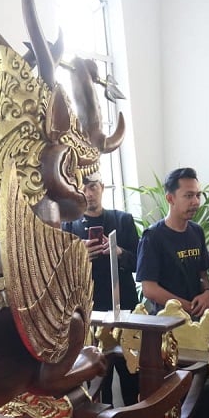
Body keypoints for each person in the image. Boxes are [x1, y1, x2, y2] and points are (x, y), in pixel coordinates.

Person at [61, 172, 140, 406]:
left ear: (102, 188)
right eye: (83, 188)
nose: (89, 192)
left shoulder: (123, 220)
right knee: (96, 380)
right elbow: (60, 275)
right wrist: (78, 256)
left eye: (93, 186)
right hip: (88, 315)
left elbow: (140, 263)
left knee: (132, 374)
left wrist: (119, 253)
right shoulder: (68, 227)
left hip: (124, 311)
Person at [136, 167, 209, 319]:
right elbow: (149, 289)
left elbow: (202, 274)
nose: (196, 201)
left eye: (198, 195)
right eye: (189, 196)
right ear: (170, 198)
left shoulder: (197, 231)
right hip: (168, 322)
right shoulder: (152, 237)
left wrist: (208, 293)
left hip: (198, 321)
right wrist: (188, 307)